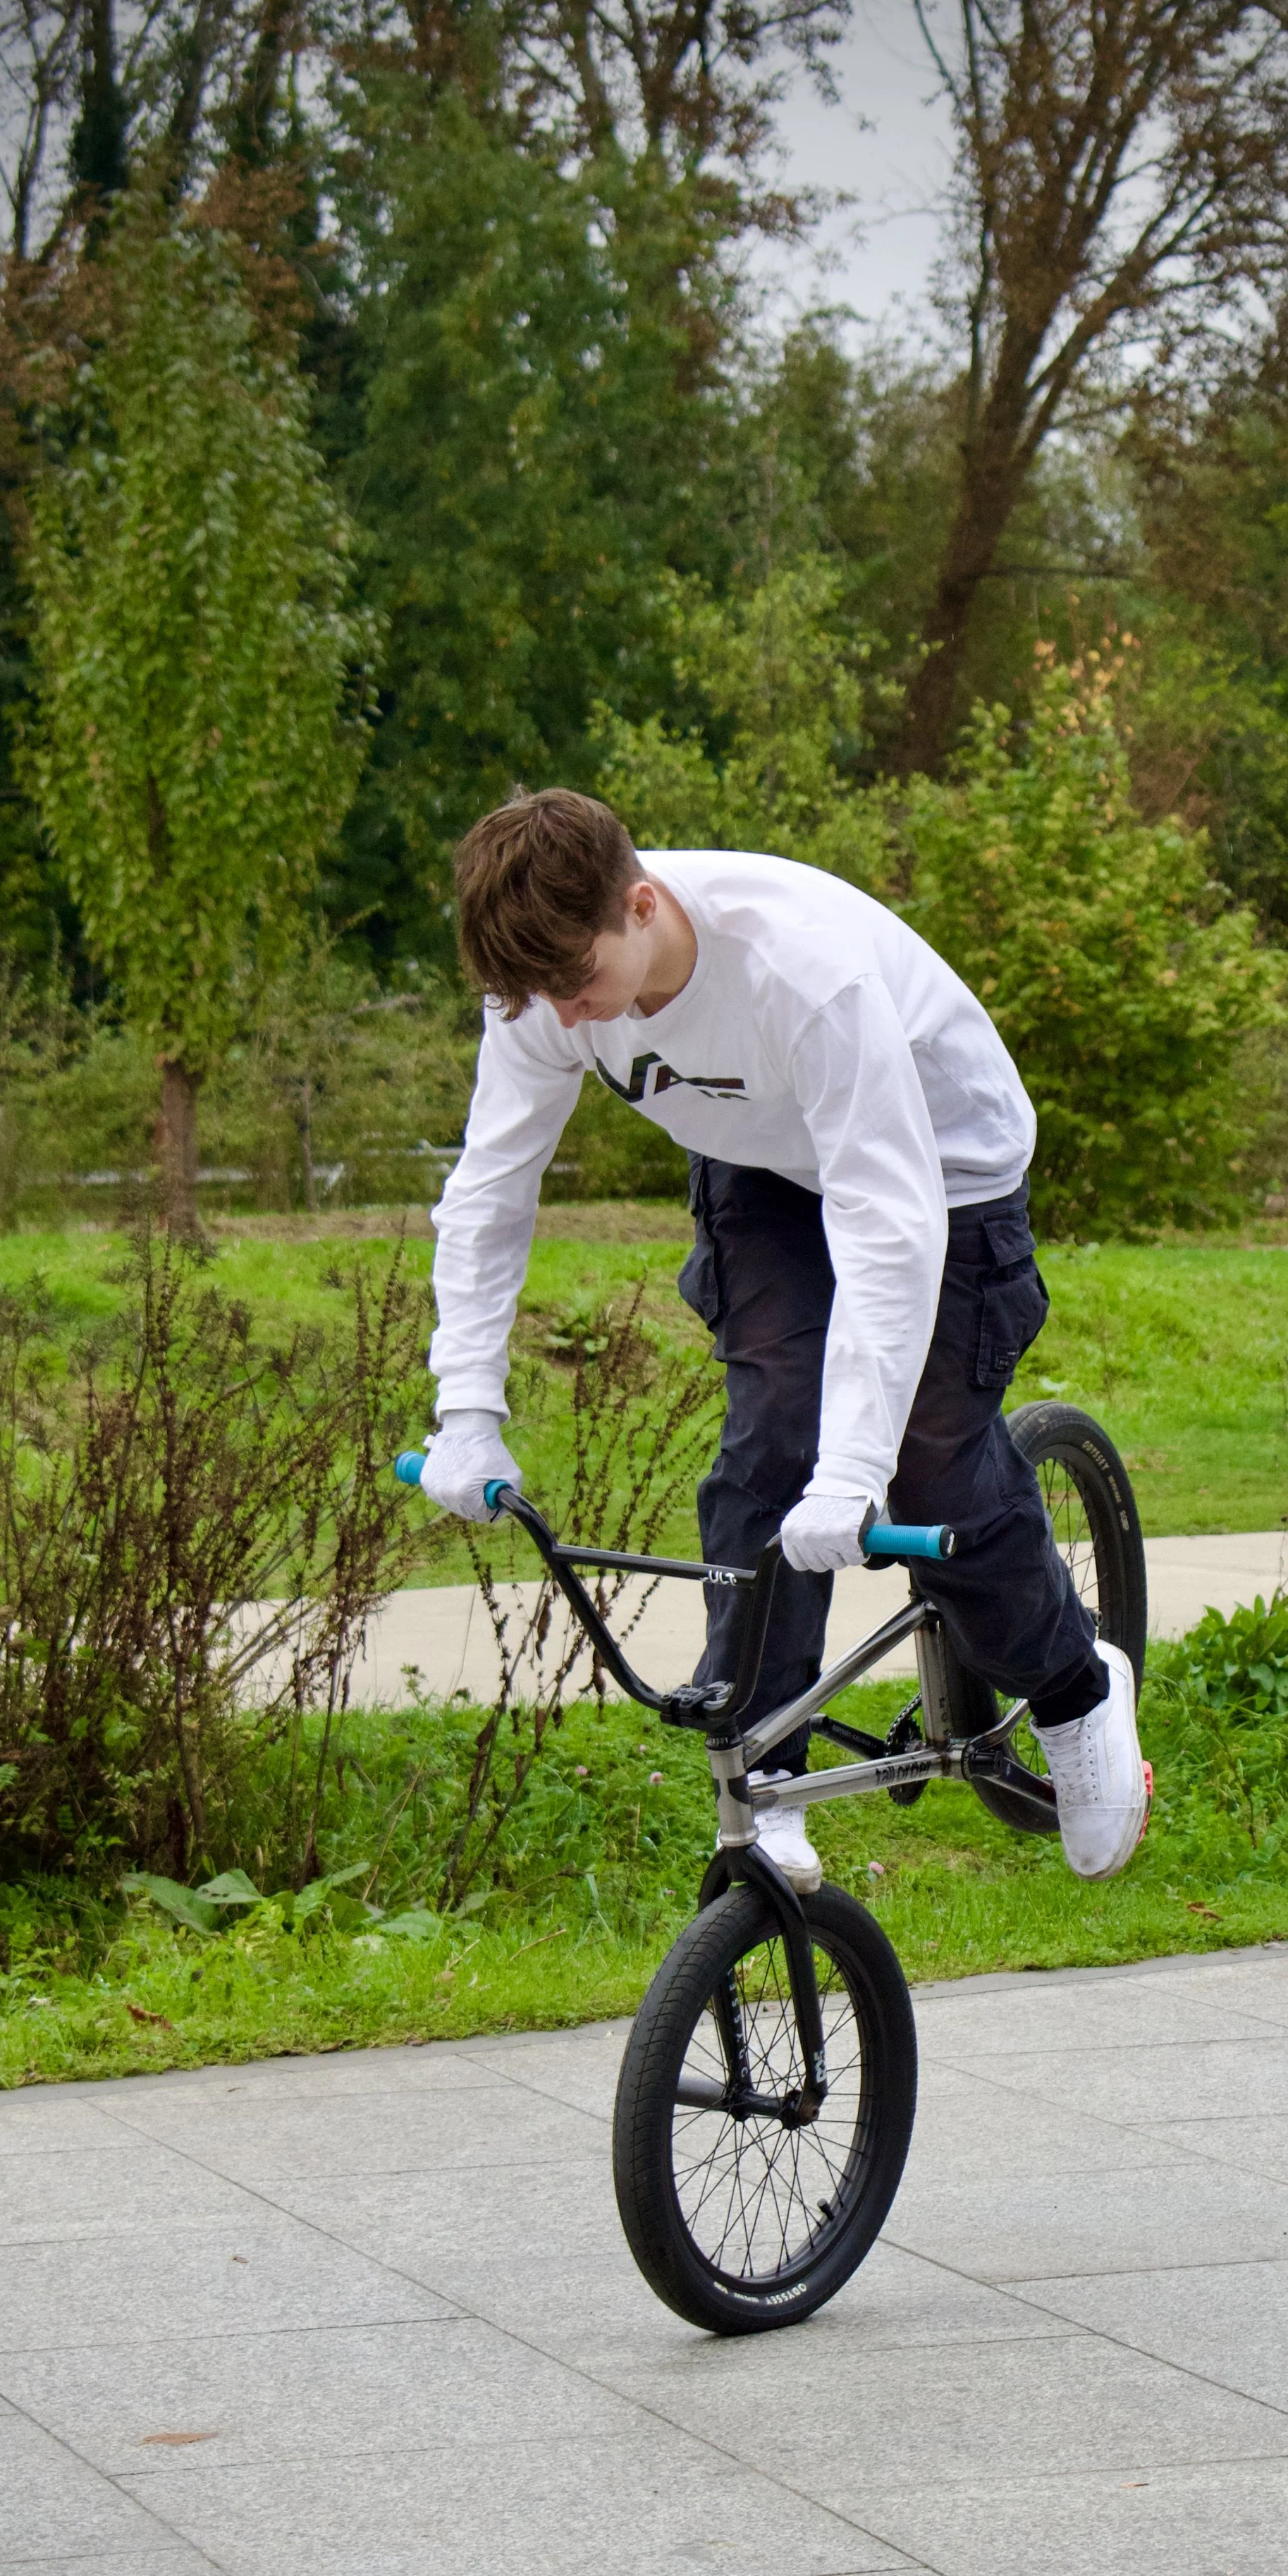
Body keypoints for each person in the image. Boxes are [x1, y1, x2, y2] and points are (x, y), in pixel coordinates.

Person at [419, 786, 1149, 1887]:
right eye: (541, 999)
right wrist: (467, 1409)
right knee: (771, 1441)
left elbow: (886, 1219)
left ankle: (1075, 1690)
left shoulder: (802, 972)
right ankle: (764, 1770)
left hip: (941, 1166)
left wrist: (855, 1470)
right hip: (763, 1160)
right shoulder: (544, 986)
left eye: (579, 985)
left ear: (642, 906)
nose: (569, 1022)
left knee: (930, 1467)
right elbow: (490, 1193)